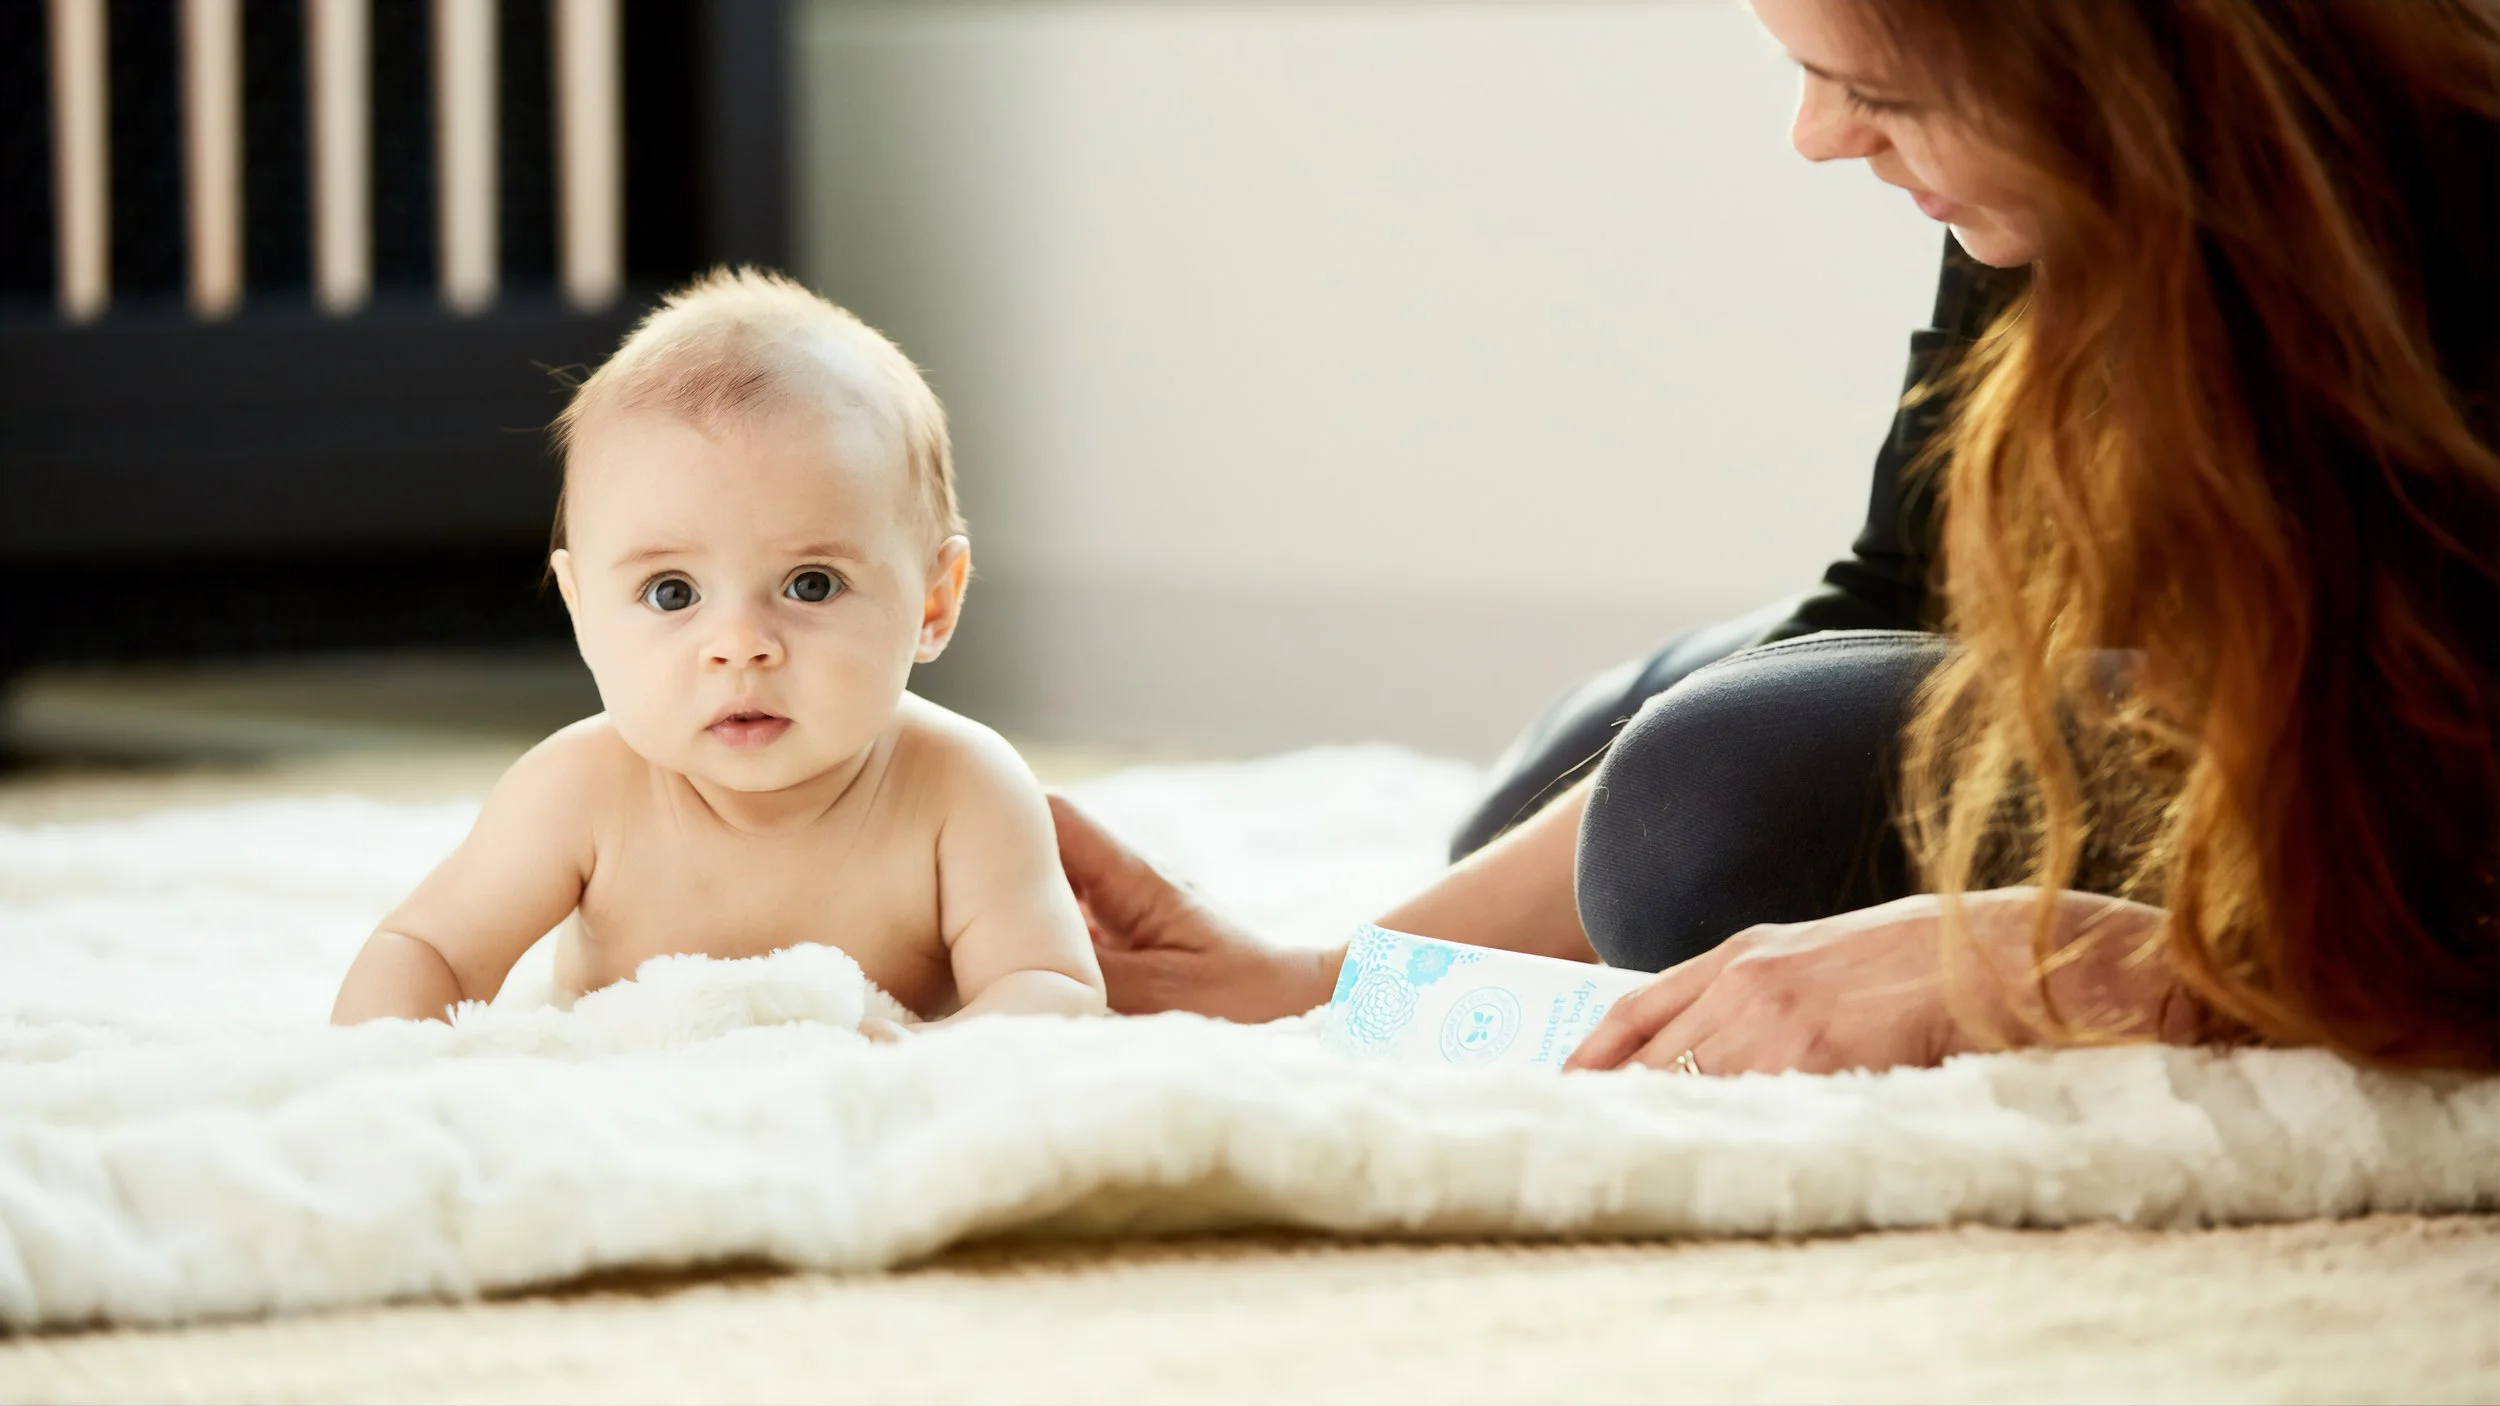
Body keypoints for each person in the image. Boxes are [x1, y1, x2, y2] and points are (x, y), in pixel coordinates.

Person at [1051, 0, 2500, 1074]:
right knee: (1585, 783)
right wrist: (1332, 978)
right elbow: (1905, 586)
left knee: (1701, 812)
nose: (1817, 138)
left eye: (1877, 91)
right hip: (2201, 669)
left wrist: (2101, 957)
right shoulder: (2070, 184)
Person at [333, 270, 1107, 1029]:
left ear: (935, 603)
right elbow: (427, 947)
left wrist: (928, 1056)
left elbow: (1052, 988)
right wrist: (386, 1069)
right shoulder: (578, 791)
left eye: (811, 584)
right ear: (582, 612)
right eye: (673, 592)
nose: (740, 647)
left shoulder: (961, 790)